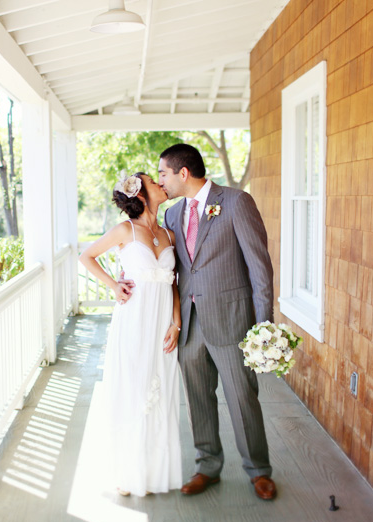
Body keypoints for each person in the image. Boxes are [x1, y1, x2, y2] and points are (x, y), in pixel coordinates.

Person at [157, 143, 277, 500]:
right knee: (197, 400)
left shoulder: (237, 202)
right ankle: (207, 466)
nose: (161, 180)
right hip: (190, 327)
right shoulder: (172, 214)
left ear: (183, 173)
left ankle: (258, 470)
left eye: (163, 173)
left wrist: (263, 327)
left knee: (242, 398)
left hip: (233, 322)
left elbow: (260, 269)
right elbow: (176, 270)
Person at [79, 172, 182, 497]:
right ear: (140, 195)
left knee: (160, 390)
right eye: (153, 181)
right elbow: (86, 256)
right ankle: (126, 470)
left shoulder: (168, 233)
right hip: (134, 320)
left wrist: (176, 323)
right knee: (132, 388)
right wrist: (113, 285)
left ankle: (152, 471)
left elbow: (175, 282)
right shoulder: (125, 230)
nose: (160, 183)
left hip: (163, 322)